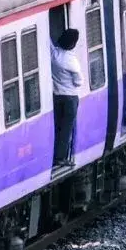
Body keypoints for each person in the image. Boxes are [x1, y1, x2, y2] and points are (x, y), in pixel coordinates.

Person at [50, 29, 83, 168]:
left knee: (58, 126)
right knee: (66, 129)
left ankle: (54, 154)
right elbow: (78, 82)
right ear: (72, 44)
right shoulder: (72, 61)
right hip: (70, 98)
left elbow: (50, 43)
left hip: (56, 97)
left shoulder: (54, 54)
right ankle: (61, 158)